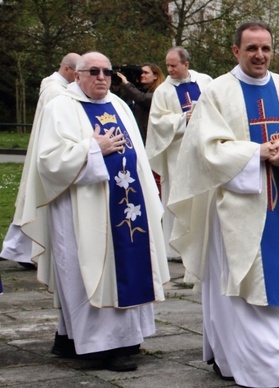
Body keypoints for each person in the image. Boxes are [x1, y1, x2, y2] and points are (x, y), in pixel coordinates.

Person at [168, 21, 279, 387]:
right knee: (244, 289)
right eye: (252, 48)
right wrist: (255, 152)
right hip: (237, 208)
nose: (260, 55)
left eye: (266, 48)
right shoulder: (217, 92)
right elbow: (206, 149)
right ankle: (254, 368)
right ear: (235, 51)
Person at [19, 52, 169, 372]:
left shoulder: (118, 106)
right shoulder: (60, 107)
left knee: (126, 268)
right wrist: (92, 150)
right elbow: (48, 161)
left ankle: (117, 341)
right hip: (79, 210)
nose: (102, 77)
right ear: (78, 75)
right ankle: (97, 347)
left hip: (128, 210)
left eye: (107, 72)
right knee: (83, 271)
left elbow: (139, 157)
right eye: (94, 71)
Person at [1, 52, 80, 268]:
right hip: (50, 149)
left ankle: (16, 249)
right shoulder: (55, 91)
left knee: (34, 200)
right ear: (68, 70)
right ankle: (23, 251)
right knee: (38, 201)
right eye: (78, 72)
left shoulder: (57, 87)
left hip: (48, 148)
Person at [145, 47, 212, 260]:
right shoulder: (163, 91)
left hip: (204, 149)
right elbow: (157, 122)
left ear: (186, 64)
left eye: (174, 65)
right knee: (178, 196)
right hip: (178, 153)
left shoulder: (205, 82)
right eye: (168, 65)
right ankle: (176, 249)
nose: (170, 69)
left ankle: (205, 242)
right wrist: (184, 119)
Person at [116, 63, 165, 140]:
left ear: (155, 76)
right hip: (137, 134)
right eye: (141, 73)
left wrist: (127, 84)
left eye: (146, 73)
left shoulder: (160, 92)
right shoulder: (136, 91)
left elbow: (142, 98)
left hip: (151, 137)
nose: (142, 75)